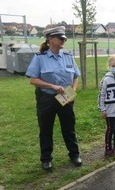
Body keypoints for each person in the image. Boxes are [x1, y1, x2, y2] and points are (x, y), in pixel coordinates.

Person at [25, 26, 82, 170]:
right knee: (45, 129)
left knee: (69, 127)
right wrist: (52, 86)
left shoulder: (68, 56)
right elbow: (33, 80)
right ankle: (46, 158)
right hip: (47, 99)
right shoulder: (40, 58)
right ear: (50, 39)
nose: (63, 40)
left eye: (64, 38)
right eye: (59, 37)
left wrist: (72, 92)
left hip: (66, 98)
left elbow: (75, 76)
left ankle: (74, 154)